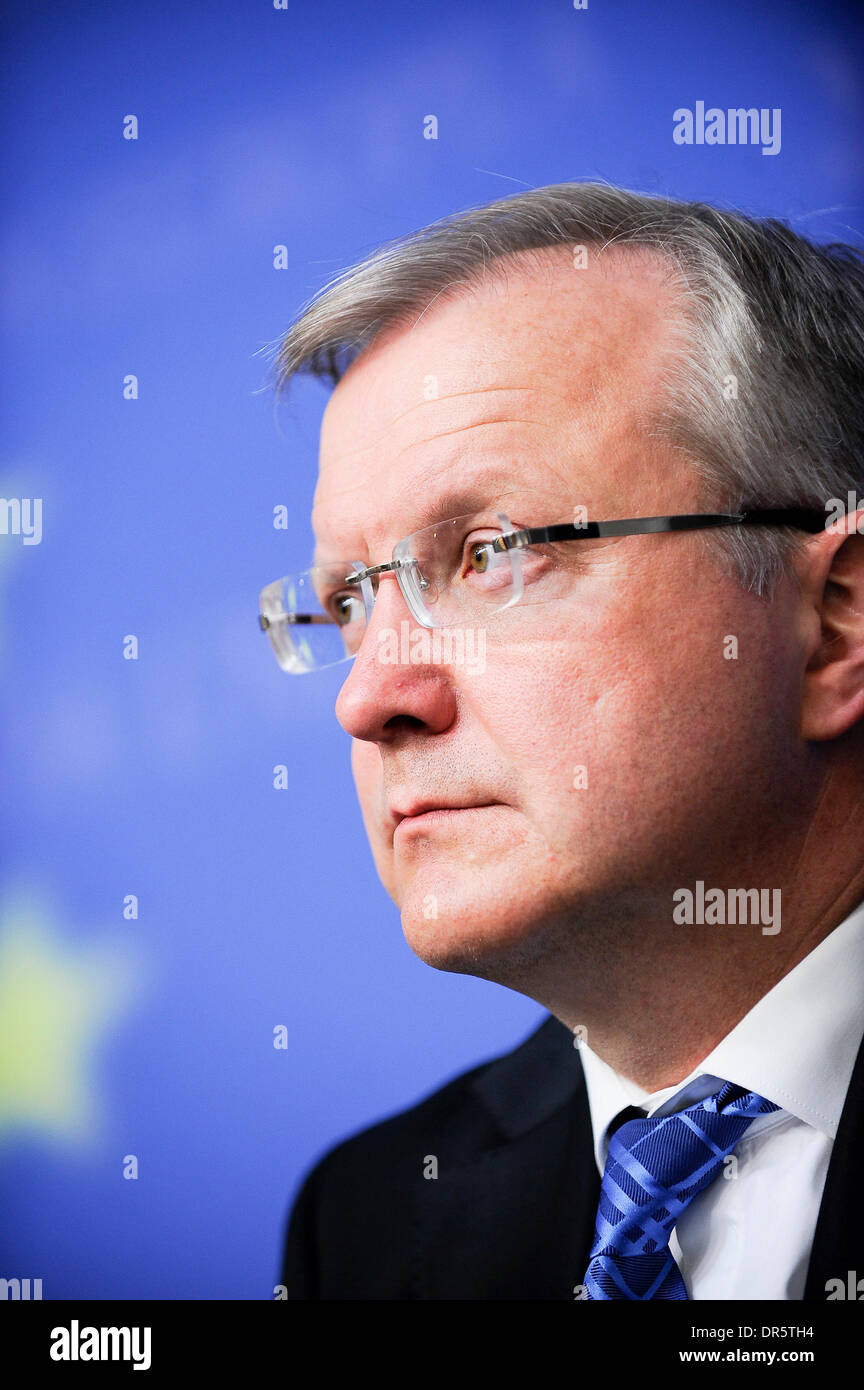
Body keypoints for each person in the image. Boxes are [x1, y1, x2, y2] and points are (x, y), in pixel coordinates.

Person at [259, 182, 864, 1300]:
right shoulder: (371, 1225)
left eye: (491, 553)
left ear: (833, 625)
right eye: (349, 599)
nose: (370, 697)